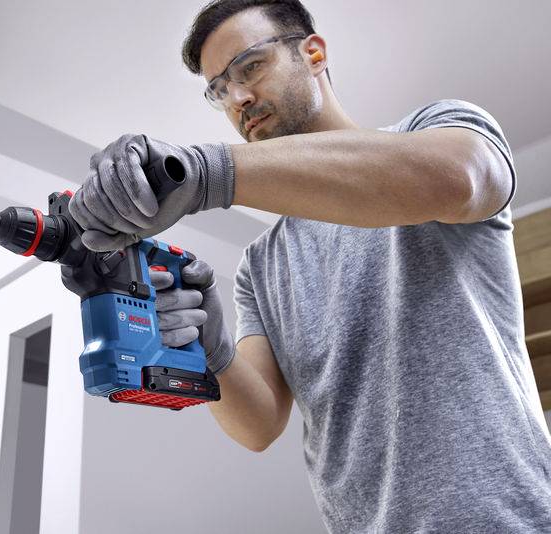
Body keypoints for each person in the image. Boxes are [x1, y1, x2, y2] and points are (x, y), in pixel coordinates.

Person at [67, 1, 551, 531]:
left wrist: (209, 172)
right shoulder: (262, 263)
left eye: (249, 67)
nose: (239, 99)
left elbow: (462, 179)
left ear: (313, 53)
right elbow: (259, 425)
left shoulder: (435, 130)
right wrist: (211, 349)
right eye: (220, 91)